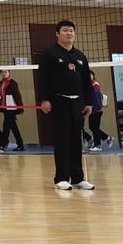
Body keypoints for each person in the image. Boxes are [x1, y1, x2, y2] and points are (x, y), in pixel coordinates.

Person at [35, 20, 94, 191]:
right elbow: (42, 78)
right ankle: (61, 178)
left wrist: (89, 102)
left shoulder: (80, 56)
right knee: (62, 139)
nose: (69, 33)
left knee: (76, 139)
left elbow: (86, 82)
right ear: (57, 34)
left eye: (71, 31)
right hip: (58, 101)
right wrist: (44, 99)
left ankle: (78, 178)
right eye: (65, 30)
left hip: (77, 103)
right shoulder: (49, 54)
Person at [0, 70, 25, 151]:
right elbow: (1, 96)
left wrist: (20, 108)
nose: (4, 73)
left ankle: (3, 144)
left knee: (6, 126)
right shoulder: (1, 83)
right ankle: (20, 144)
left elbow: (17, 95)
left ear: (9, 73)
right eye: (2, 72)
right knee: (13, 127)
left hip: (11, 107)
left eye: (6, 72)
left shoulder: (13, 83)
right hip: (5, 108)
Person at [84, 75, 110, 151]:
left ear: (93, 77)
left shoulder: (95, 85)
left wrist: (94, 107)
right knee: (92, 127)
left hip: (96, 110)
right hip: (93, 110)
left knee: (94, 128)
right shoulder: (89, 85)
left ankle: (98, 145)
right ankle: (107, 137)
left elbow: (96, 98)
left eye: (90, 75)